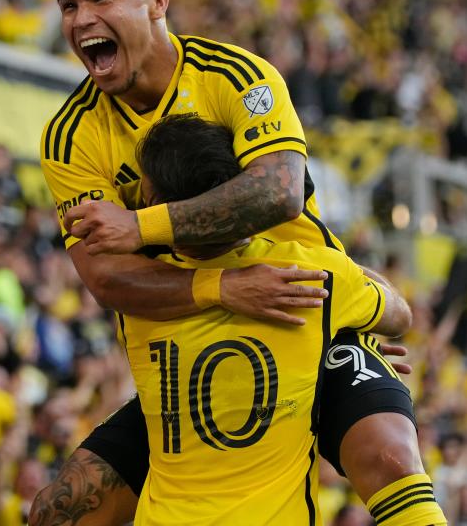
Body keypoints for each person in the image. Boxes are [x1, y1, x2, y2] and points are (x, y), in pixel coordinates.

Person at [33, 0, 440, 525]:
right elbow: (107, 281)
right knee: (60, 512)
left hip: (303, 315)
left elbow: (277, 193)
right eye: (68, 5)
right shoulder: (72, 136)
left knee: (389, 458)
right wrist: (221, 288)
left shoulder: (235, 77)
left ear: (157, 2)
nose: (80, 18)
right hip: (191, 343)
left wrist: (142, 226)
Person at [122, 115, 420, 523]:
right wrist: (344, 329)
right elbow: (399, 314)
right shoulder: (316, 274)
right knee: (395, 459)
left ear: (158, 208)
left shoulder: (135, 290)